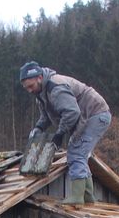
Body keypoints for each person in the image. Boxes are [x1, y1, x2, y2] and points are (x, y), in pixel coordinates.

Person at [18, 61, 112, 205]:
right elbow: (46, 117)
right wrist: (38, 128)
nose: (29, 90)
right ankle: (88, 196)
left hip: (95, 114)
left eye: (31, 86)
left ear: (40, 78)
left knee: (76, 152)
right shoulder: (41, 94)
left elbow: (72, 113)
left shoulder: (56, 88)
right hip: (86, 117)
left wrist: (59, 134)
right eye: (26, 88)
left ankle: (77, 197)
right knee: (78, 152)